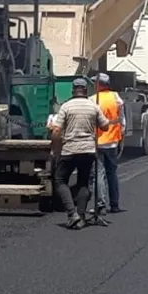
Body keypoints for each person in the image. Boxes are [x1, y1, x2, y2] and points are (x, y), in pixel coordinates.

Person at [50, 77, 112, 230]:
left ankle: (72, 214)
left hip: (70, 150)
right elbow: (105, 127)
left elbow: (57, 130)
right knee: (83, 182)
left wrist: (55, 149)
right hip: (88, 150)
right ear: (85, 91)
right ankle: (82, 216)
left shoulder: (66, 107)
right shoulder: (94, 107)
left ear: (73, 90)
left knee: (59, 180)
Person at [91, 73, 126, 215]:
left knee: (99, 174)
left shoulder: (93, 100)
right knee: (112, 173)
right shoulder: (116, 98)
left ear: (99, 85)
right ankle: (115, 204)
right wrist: (121, 136)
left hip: (98, 142)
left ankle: (100, 205)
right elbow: (121, 120)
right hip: (112, 141)